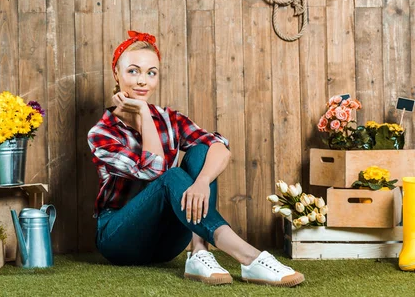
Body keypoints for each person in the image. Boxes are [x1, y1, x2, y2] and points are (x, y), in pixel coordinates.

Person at [88, 31, 304, 287]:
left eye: (151, 72)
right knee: (172, 176)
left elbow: (220, 148)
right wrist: (144, 114)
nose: (142, 81)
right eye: (133, 71)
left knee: (202, 151)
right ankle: (249, 257)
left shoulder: (170, 118)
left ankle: (200, 253)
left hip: (166, 243)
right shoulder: (102, 133)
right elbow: (156, 171)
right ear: (117, 73)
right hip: (119, 238)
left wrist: (202, 181)